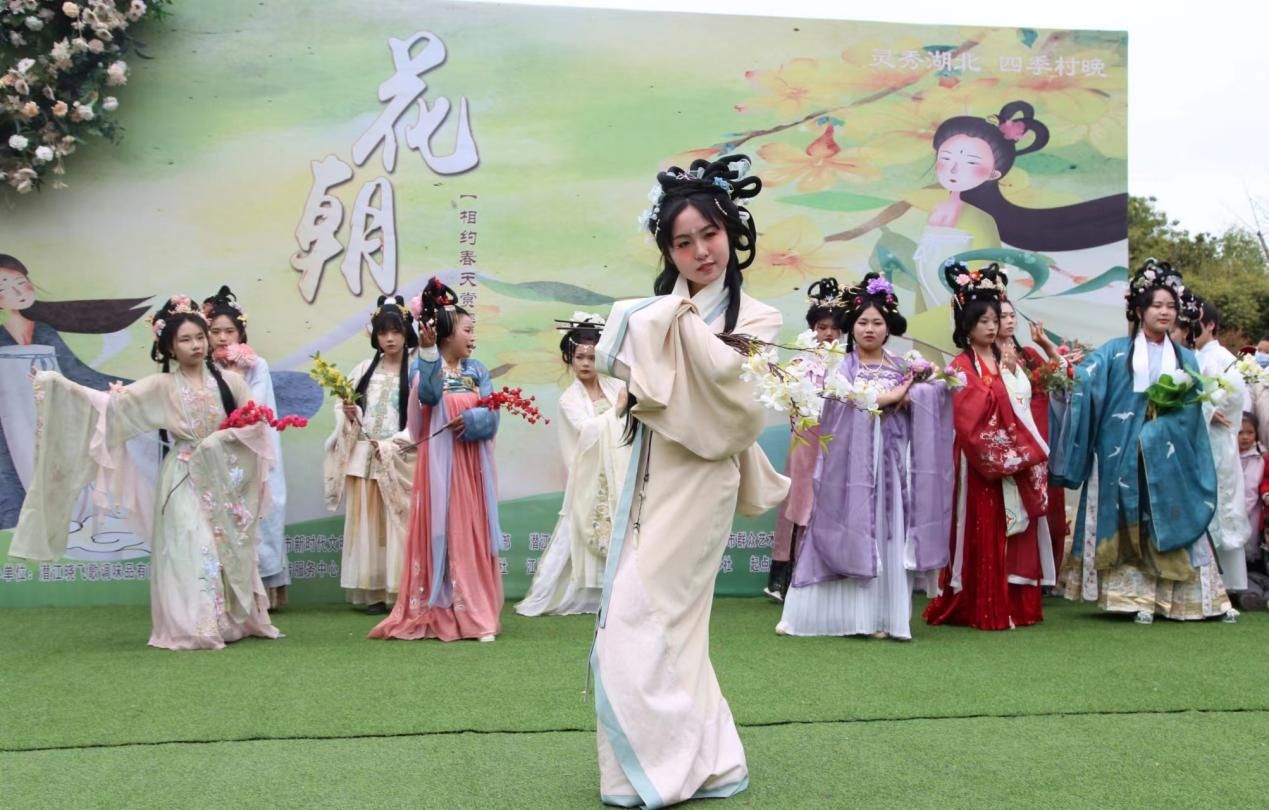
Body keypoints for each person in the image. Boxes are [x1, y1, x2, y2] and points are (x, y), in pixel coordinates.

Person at [591, 155, 789, 807]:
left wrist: (661, 326)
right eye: (683, 242)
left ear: (731, 232)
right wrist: (659, 327)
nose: (701, 251)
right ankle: (706, 762)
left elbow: (734, 408)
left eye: (710, 233)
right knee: (658, 625)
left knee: (642, 618)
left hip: (704, 481)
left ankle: (672, 766)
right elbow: (635, 393)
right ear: (668, 251)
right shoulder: (658, 314)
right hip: (653, 479)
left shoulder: (757, 320)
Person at [10, 295, 281, 650]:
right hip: (183, 475)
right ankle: (196, 625)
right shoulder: (161, 386)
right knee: (190, 542)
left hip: (223, 475)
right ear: (169, 347)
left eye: (200, 337)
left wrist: (222, 439)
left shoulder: (231, 382)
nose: (196, 345)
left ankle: (231, 622)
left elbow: (257, 427)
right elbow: (110, 406)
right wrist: (57, 384)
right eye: (185, 339)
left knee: (224, 543)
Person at [1053, 259, 1235, 623]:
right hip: (1122, 453)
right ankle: (1132, 598)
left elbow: (1192, 411)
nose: (1165, 312)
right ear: (1139, 310)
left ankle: (1190, 600)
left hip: (1168, 456)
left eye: (1170, 306)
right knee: (1129, 517)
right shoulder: (1114, 352)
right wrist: (1068, 373)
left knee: (1173, 515)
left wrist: (1159, 429)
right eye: (1156, 305)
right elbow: (1086, 385)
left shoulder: (1185, 357)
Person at [776, 273, 954, 639]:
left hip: (891, 464)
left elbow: (932, 396)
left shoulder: (904, 365)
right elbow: (837, 404)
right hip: (850, 469)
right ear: (852, 327)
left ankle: (883, 618)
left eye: (877, 322)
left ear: (888, 327)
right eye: (862, 322)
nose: (869, 329)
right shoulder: (841, 367)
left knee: (888, 532)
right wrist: (887, 398)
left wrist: (920, 391)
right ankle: (840, 617)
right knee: (848, 530)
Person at [370, 278, 504, 642]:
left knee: (470, 532)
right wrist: (428, 354)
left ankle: (476, 613)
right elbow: (427, 399)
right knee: (444, 529)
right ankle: (440, 609)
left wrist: (473, 419)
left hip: (471, 467)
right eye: (467, 330)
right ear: (445, 334)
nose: (473, 337)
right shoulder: (423, 367)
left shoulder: (477, 371)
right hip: (438, 469)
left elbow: (492, 415)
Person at [924, 263, 1050, 630]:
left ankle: (1014, 604)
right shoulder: (962, 365)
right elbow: (969, 414)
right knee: (983, 528)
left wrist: (1009, 375)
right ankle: (979, 603)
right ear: (967, 326)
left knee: (1015, 529)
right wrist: (1001, 385)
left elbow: (1023, 402)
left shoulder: (1009, 360)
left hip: (1013, 456)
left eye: (995, 320)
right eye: (983, 321)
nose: (992, 327)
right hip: (978, 459)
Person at [516, 315, 629, 616]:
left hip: (619, 467)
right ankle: (558, 594)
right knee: (578, 527)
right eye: (580, 357)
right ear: (570, 358)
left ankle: (619, 594)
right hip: (589, 472)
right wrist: (616, 411)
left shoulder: (615, 385)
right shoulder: (570, 399)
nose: (586, 363)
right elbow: (586, 430)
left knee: (623, 526)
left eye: (592, 357)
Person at [323, 297, 419, 614]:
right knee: (368, 526)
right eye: (382, 332)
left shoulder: (417, 371)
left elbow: (423, 416)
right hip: (363, 458)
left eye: (395, 331)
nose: (389, 339)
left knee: (397, 523)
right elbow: (344, 409)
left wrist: (396, 444)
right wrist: (350, 414)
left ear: (406, 333)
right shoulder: (363, 370)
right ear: (375, 336)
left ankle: (401, 589)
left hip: (400, 459)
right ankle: (373, 591)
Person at [204, 285, 291, 608]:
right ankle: (222, 594)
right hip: (215, 450)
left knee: (259, 514)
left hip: (252, 449)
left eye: (229, 331)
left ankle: (260, 595)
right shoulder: (204, 366)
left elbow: (257, 405)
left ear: (241, 333)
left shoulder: (256, 365)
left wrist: (235, 426)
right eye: (215, 331)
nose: (222, 337)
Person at [766, 277, 844, 602]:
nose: (828, 334)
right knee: (799, 501)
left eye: (834, 328)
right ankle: (787, 577)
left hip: (839, 445)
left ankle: (831, 574)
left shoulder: (849, 364)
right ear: (812, 329)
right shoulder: (799, 364)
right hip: (807, 442)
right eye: (822, 327)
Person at [997, 298, 1077, 578]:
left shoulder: (1028, 354)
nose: (1009, 321)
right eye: (1002, 316)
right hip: (1007, 440)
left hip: (1038, 436)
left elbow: (1062, 377)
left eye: (1011, 315)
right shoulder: (982, 358)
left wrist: (1046, 344)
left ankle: (1041, 571)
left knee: (1045, 502)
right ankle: (1006, 570)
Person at [1193, 299, 1249, 593]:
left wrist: (1206, 409)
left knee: (1221, 504)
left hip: (1217, 443)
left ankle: (1228, 583)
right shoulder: (1194, 356)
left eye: (1197, 321)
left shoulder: (1223, 358)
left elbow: (1232, 400)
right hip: (1197, 442)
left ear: (1211, 325)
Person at [1238, 414, 1268, 610]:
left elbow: (1254, 487)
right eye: (1240, 432)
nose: (1245, 437)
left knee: (1252, 554)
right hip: (1232, 512)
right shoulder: (1228, 455)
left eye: (1250, 433)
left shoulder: (1260, 458)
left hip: (1252, 513)